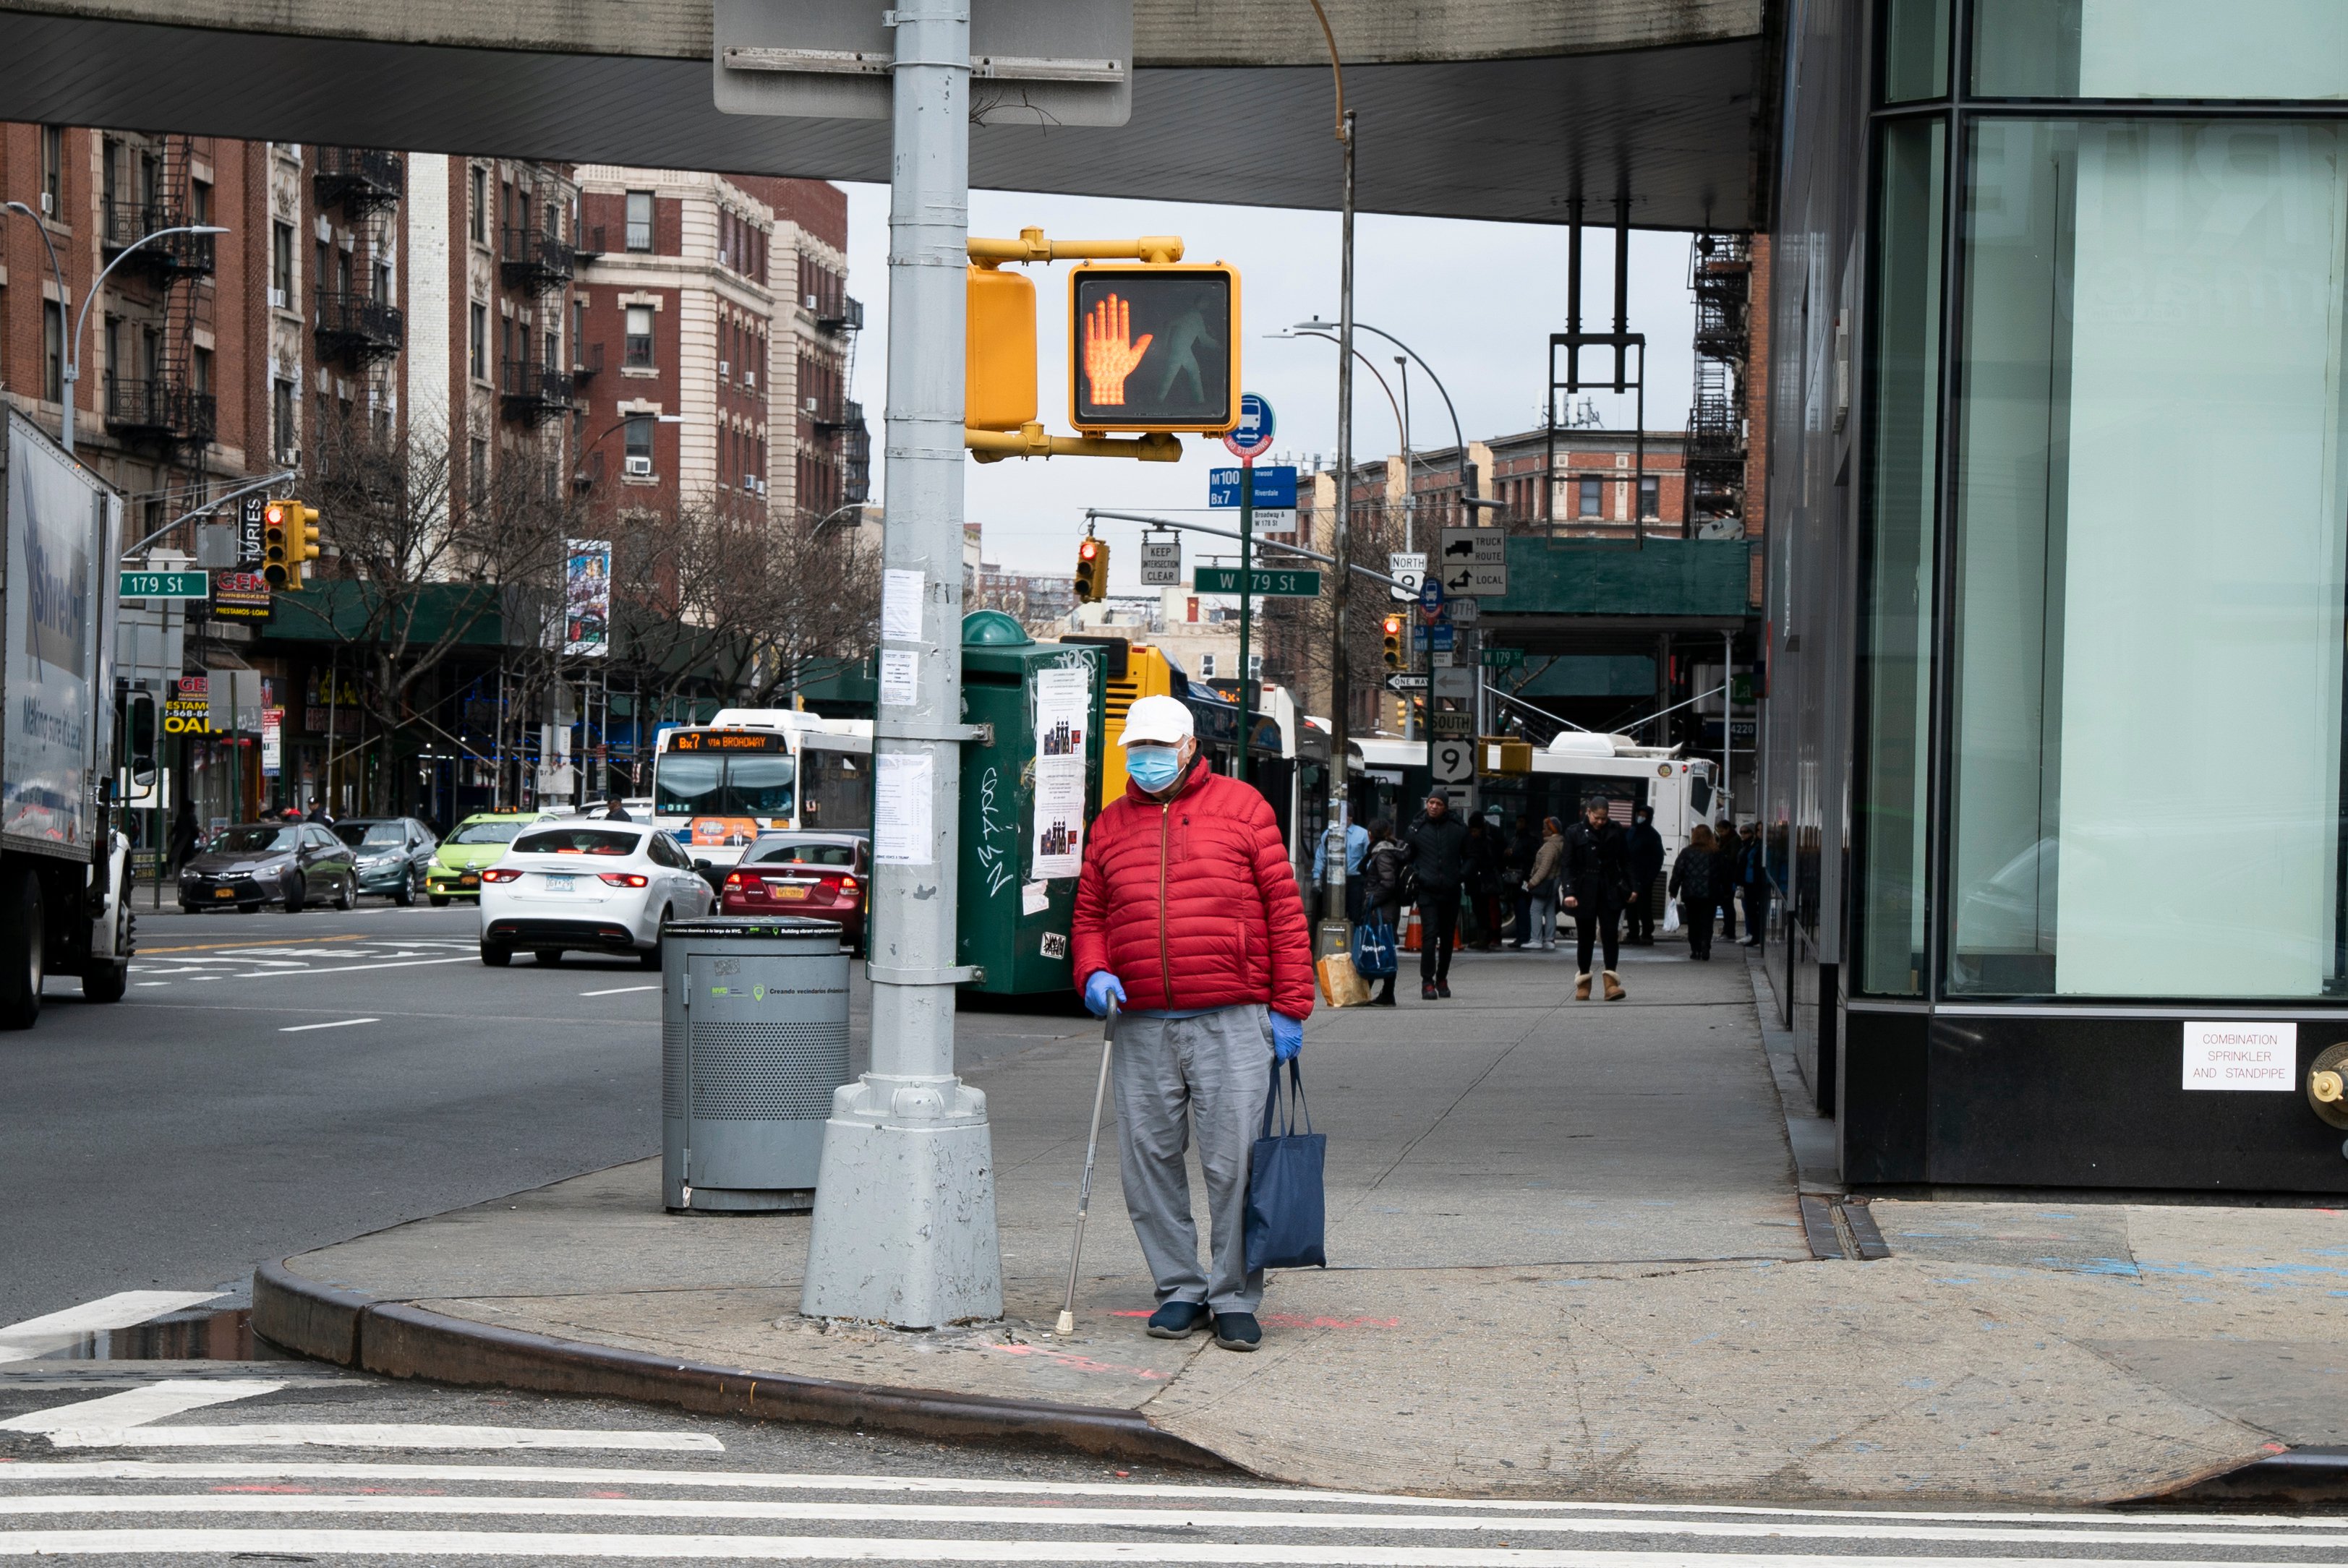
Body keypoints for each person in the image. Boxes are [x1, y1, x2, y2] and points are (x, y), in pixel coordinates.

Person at [1071, 694, 1314, 1355]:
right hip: (1143, 1019)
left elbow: (1284, 912)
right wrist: (1092, 972)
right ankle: (1180, 1287)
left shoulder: (1242, 808)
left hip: (1232, 1016)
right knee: (1147, 1164)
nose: (1144, 761)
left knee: (1233, 1163)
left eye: (1156, 748)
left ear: (1186, 748)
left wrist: (1290, 1005)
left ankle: (1233, 1293)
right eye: (1135, 751)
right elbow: (1090, 915)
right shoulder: (1111, 824)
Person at [1560, 794, 1631, 1000]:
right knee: (1585, 937)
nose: (1600, 822)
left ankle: (1611, 984)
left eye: (1604, 818)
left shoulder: (1616, 830)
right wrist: (1569, 892)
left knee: (1610, 935)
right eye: (1597, 817)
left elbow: (1625, 860)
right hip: (1584, 889)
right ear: (1588, 812)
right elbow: (1567, 865)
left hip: (1609, 887)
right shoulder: (1574, 832)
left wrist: (1632, 886)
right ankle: (1584, 982)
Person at [1401, 793, 1469, 1000]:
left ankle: (1442, 978)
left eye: (1439, 804)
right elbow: (1407, 857)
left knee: (1448, 938)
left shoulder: (1458, 830)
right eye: (1431, 803)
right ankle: (1427, 981)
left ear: (1445, 807)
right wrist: (1418, 876)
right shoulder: (1416, 829)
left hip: (1451, 890)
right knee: (1429, 936)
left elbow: (1471, 857)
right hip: (1427, 890)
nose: (1434, 807)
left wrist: (1460, 876)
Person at [1359, 818, 1407, 1006]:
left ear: (1371, 834)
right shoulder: (1381, 851)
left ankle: (1386, 993)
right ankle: (1374, 992)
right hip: (1386, 908)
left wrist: (1372, 901)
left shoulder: (1383, 853)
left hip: (1382, 909)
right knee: (1378, 947)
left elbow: (1387, 883)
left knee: (1378, 948)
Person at [1670, 823, 1722, 960]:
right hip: (1710, 893)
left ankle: (1695, 949)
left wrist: (1673, 890)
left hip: (1690, 893)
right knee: (1707, 921)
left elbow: (1678, 872)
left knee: (1693, 922)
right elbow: (1723, 874)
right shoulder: (1715, 853)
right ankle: (1706, 945)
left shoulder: (1687, 852)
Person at [1624, 805, 1665, 946]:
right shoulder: (1632, 831)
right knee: (1631, 907)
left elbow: (1657, 859)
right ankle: (1633, 933)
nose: (1640, 817)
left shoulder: (1653, 835)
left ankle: (1647, 933)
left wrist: (1650, 878)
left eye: (1643, 815)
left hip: (1644, 877)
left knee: (1645, 907)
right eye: (1639, 814)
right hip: (1630, 876)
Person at [1525, 815, 1564, 952]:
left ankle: (1536, 939)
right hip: (1554, 881)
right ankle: (1549, 940)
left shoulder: (1550, 846)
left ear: (1551, 830)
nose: (1542, 831)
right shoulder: (1560, 844)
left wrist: (1532, 882)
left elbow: (1544, 868)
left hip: (1545, 882)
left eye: (1544, 829)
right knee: (1549, 911)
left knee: (1535, 910)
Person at [1463, 815, 1502, 952]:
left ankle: (1485, 937)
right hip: (1480, 882)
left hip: (1483, 882)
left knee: (1483, 910)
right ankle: (1486, 937)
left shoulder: (1484, 843)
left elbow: (1491, 862)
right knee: (1480, 909)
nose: (1473, 833)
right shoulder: (1485, 841)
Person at [1504, 816, 1539, 948]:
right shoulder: (1515, 839)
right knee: (1518, 909)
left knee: (1523, 908)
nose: (1518, 824)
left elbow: (1531, 859)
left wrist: (1514, 854)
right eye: (1517, 821)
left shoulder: (1529, 840)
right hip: (1515, 879)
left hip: (1523, 878)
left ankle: (1524, 936)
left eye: (1521, 822)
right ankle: (1520, 936)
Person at [1738, 822, 1767, 947]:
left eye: (1762, 830)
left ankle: (1758, 936)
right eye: (1758, 830)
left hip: (1759, 881)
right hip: (1749, 881)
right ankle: (1755, 936)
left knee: (1757, 911)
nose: (1760, 833)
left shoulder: (1764, 846)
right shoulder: (1754, 844)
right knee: (1750, 910)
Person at [1341, 815, 1369, 927]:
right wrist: (1317, 877)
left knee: (1355, 913)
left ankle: (1355, 941)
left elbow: (1368, 857)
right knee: (1337, 914)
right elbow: (1321, 855)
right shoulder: (1330, 833)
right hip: (1335, 881)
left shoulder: (1362, 834)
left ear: (1350, 817)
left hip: (1355, 879)